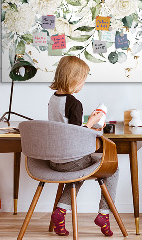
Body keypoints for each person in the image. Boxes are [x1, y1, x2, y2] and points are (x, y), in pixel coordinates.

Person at [48, 56, 118, 237]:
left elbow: (65, 128)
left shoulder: (53, 99)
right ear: (74, 79)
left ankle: (60, 212)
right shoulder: (74, 103)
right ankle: (104, 214)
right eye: (83, 79)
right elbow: (76, 135)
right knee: (113, 168)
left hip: (54, 160)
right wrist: (93, 122)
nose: (83, 84)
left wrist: (88, 123)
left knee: (78, 171)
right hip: (71, 160)